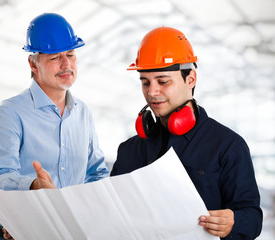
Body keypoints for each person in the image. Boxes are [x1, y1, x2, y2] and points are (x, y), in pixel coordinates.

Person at [110, 26, 262, 239]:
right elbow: (110, 212)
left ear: (190, 79)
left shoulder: (228, 146)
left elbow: (252, 217)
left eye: (163, 81)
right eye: (145, 82)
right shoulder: (129, 150)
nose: (152, 92)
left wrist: (233, 222)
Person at [0, 13, 109, 240]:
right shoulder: (10, 113)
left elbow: (96, 173)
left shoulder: (83, 113)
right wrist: (33, 186)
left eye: (71, 55)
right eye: (54, 58)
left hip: (67, 231)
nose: (66, 64)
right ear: (33, 63)